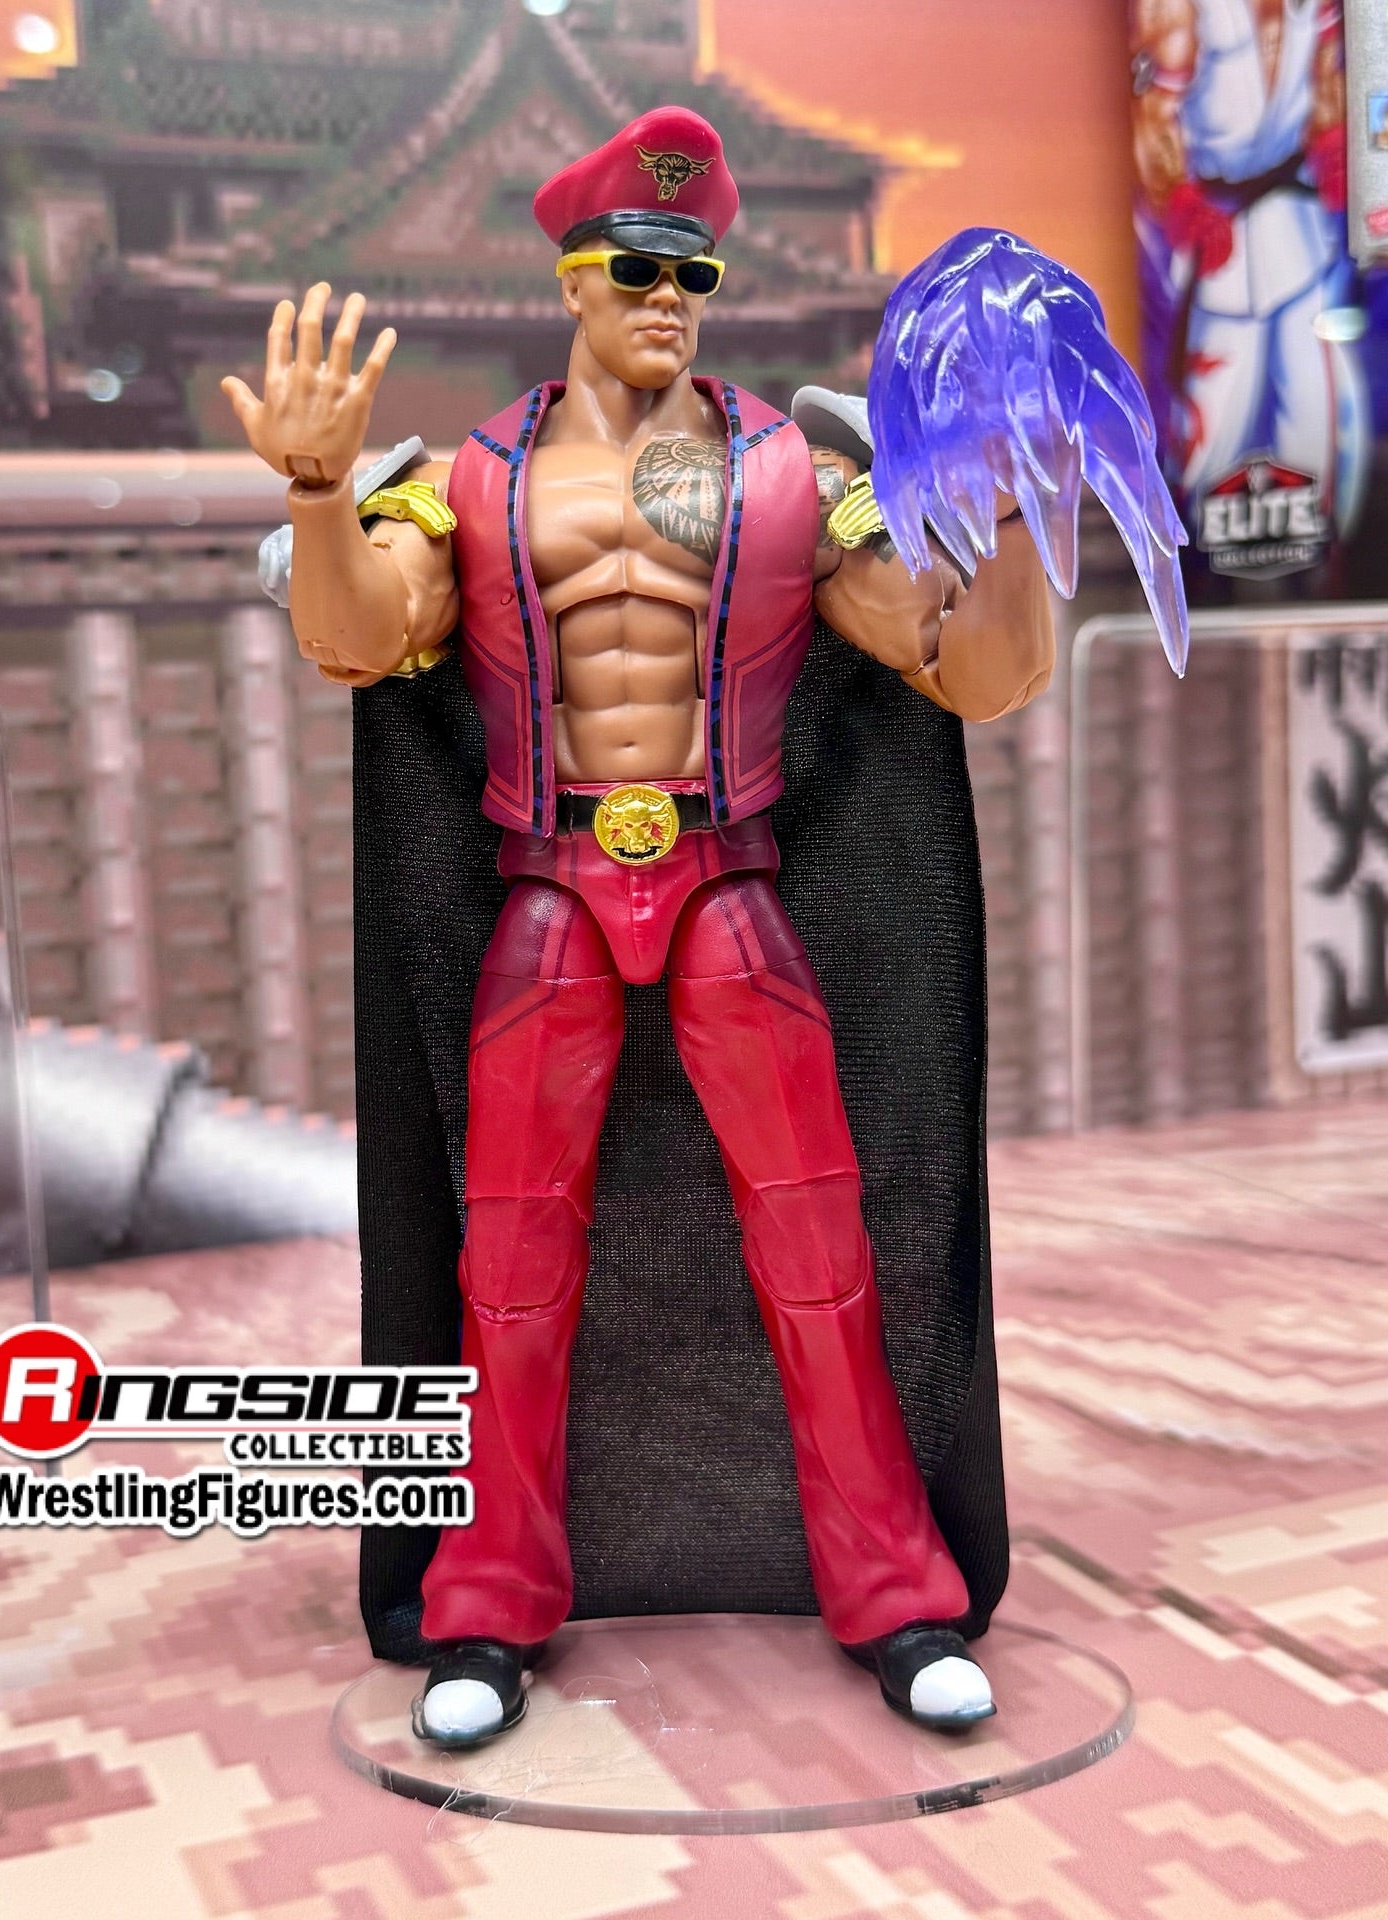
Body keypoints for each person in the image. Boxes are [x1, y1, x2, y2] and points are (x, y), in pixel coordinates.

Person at [223, 107, 1054, 1747]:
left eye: (696, 272)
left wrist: (1022, 513)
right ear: (574, 279)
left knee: (821, 1255)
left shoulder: (789, 477)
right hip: (546, 886)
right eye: (637, 268)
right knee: (509, 1270)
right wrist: (321, 494)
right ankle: (484, 1608)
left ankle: (898, 1595)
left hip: (732, 879)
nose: (669, 296)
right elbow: (357, 641)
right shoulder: (468, 485)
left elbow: (974, 673)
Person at [1130, 0, 1369, 536]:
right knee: (1212, 431)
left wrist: (1333, 142)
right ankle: (1191, 560)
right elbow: (1152, 115)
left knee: (1315, 413)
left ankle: (1323, 556)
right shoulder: (1180, 11)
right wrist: (1180, 199)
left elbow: (1326, 74)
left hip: (1299, 231)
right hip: (1221, 244)